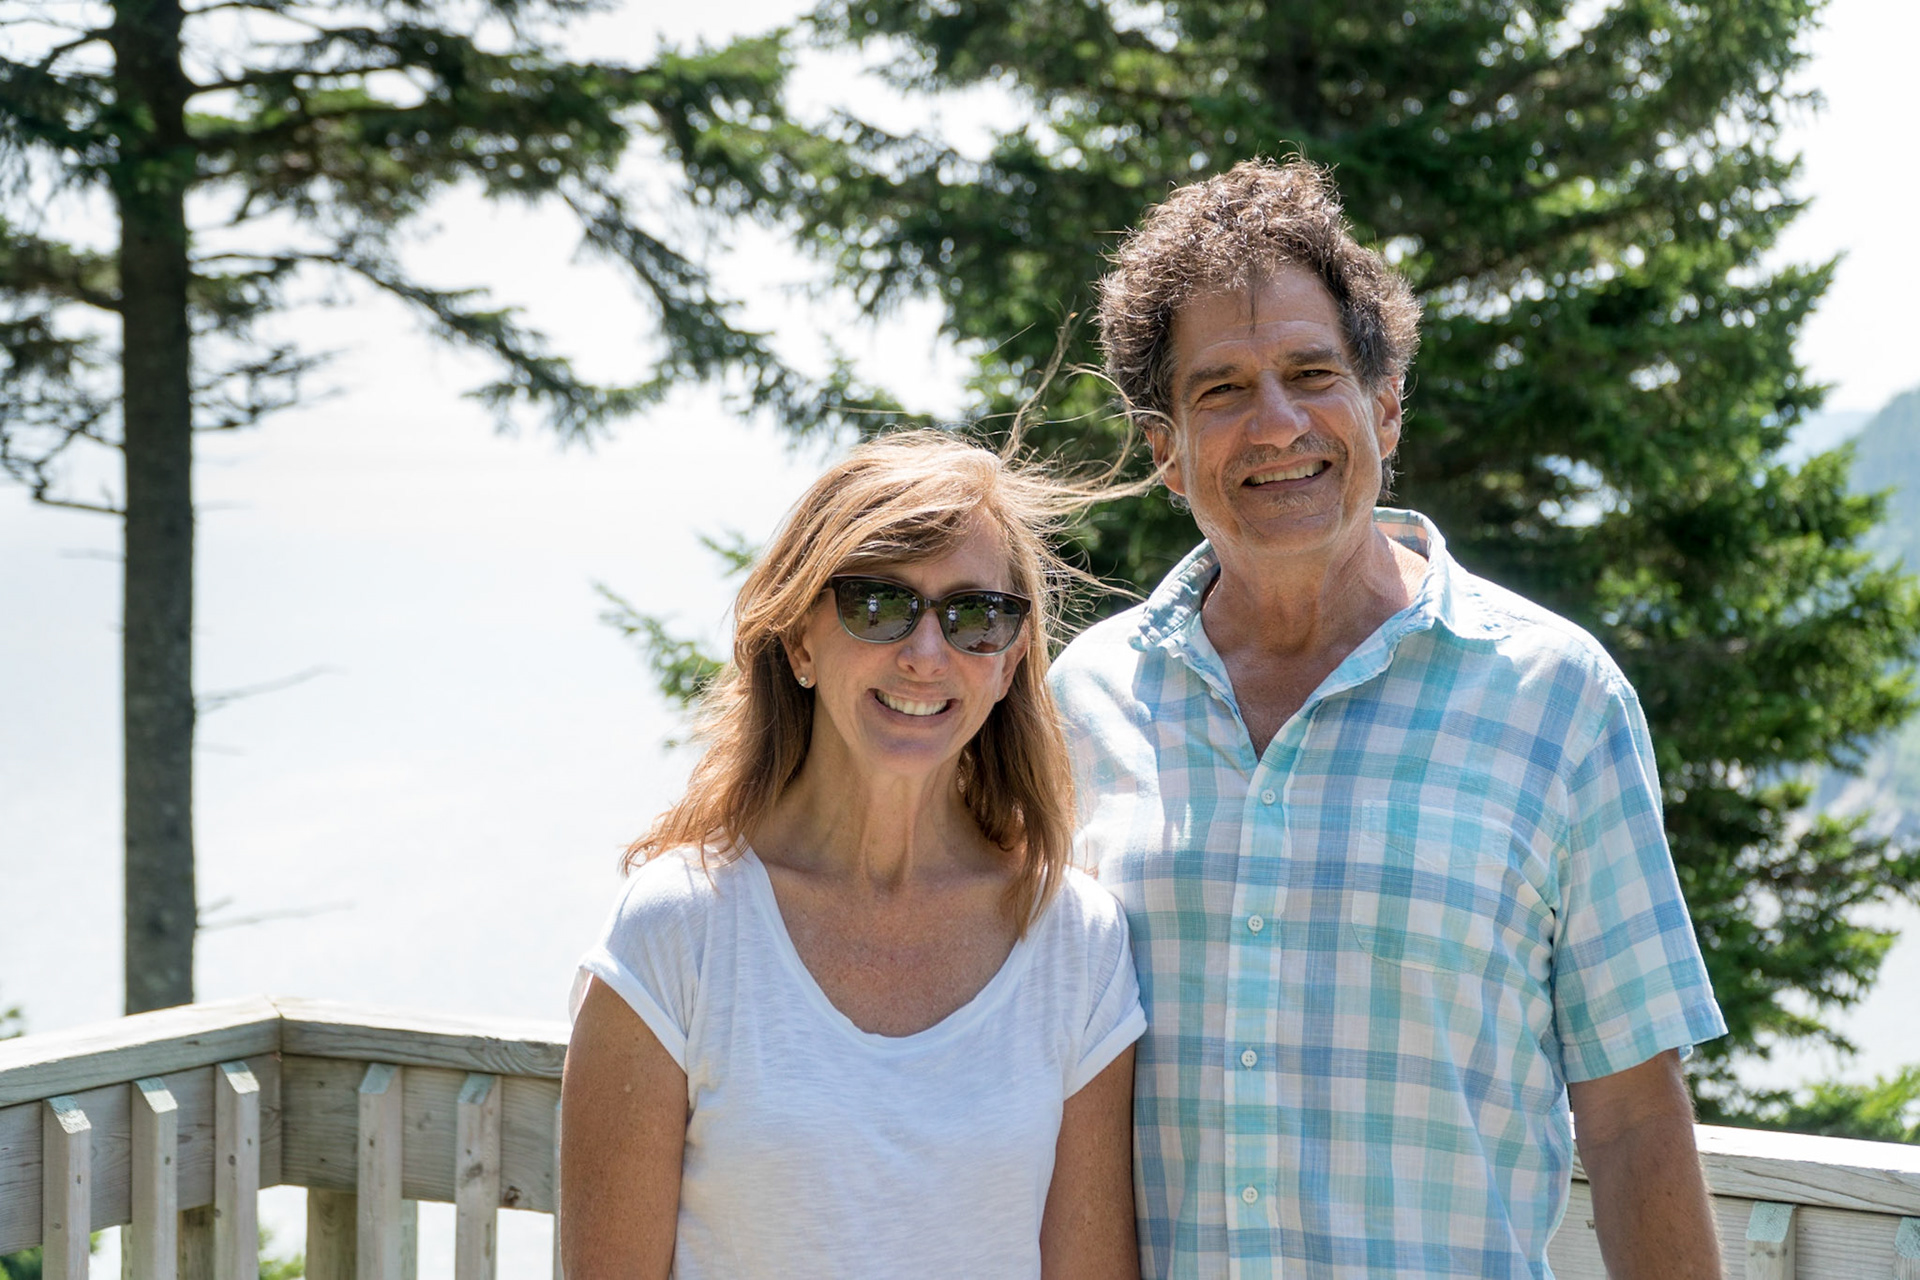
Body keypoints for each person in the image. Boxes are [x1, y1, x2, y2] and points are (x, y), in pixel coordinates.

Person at [1049, 158, 1729, 1278]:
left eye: (1312, 372)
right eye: (1220, 389)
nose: (1277, 424)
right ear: (1167, 451)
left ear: (1385, 406)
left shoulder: (1557, 696)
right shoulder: (1084, 702)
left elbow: (1633, 1118)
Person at [560, 431, 1147, 1279]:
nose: (926, 653)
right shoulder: (677, 932)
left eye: (976, 615)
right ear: (800, 640)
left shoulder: (1075, 944)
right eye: (879, 605)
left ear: (1012, 656)